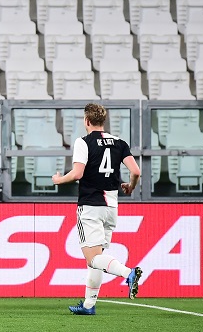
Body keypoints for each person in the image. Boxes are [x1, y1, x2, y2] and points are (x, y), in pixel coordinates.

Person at [52, 102, 143, 315]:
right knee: (97, 259)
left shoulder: (83, 142)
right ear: (103, 121)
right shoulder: (119, 143)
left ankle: (128, 273)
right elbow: (136, 171)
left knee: (92, 258)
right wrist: (130, 186)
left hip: (91, 206)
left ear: (86, 121)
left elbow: (77, 173)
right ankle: (88, 305)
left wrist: (58, 180)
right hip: (111, 207)